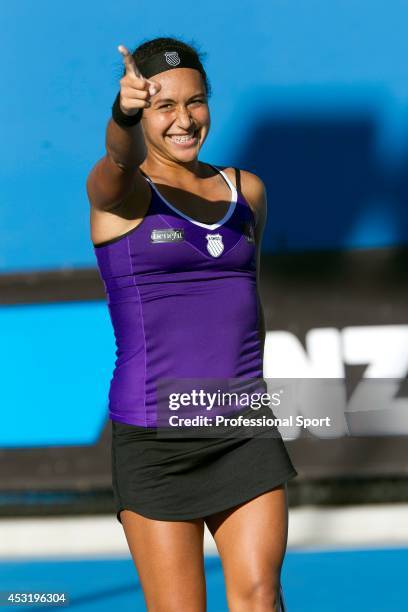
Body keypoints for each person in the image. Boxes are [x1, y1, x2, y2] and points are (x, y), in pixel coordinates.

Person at [86, 36, 297, 612]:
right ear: (141, 114)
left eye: (195, 102)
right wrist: (121, 115)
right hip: (157, 442)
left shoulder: (246, 190)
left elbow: (245, 299)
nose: (184, 120)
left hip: (243, 427)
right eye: (163, 106)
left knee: (259, 595)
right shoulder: (119, 195)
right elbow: (119, 159)